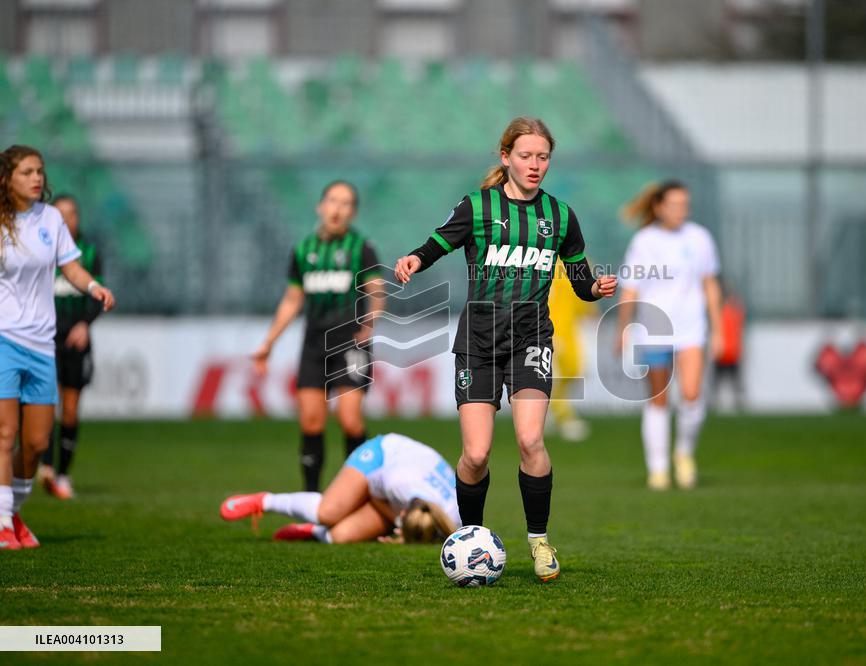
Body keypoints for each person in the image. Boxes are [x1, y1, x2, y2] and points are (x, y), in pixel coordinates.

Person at [394, 116, 617, 582]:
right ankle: (470, 537)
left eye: (542, 157)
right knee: (475, 455)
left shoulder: (560, 216)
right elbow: (439, 242)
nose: (535, 165)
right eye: (525, 156)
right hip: (477, 341)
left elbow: (579, 283)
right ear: (505, 158)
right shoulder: (477, 207)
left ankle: (538, 541)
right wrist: (415, 258)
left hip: (531, 338)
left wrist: (596, 287)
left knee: (531, 439)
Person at [0, 145, 115, 550]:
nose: (37, 178)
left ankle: (11, 512)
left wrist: (94, 286)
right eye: (27, 171)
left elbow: (71, 266)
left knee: (34, 445)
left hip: (41, 345)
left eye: (40, 171)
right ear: (7, 179)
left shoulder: (51, 219)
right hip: (4, 339)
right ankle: (1, 523)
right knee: (6, 432)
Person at [252, 181, 383, 493]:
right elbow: (292, 299)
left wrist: (371, 321)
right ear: (320, 206)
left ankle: (358, 492)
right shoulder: (303, 250)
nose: (338, 209)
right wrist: (268, 343)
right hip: (314, 344)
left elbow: (376, 290)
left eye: (346, 203)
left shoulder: (361, 248)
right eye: (333, 201)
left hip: (350, 342)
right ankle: (311, 497)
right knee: (311, 422)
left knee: (350, 420)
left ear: (353, 212)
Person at [615, 181, 722, 491]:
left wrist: (718, 330)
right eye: (673, 204)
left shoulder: (700, 238)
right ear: (659, 207)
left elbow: (710, 285)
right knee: (658, 400)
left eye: (684, 204)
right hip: (654, 329)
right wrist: (623, 328)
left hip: (691, 330)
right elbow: (630, 289)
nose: (680, 210)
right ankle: (658, 469)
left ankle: (684, 453)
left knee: (691, 394)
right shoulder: (644, 241)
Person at [219, 433, 459, 545]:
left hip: (401, 491)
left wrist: (404, 536)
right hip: (383, 455)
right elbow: (374, 494)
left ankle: (313, 532)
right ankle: (265, 501)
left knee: (340, 537)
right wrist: (398, 526)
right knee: (328, 512)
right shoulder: (397, 482)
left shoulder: (452, 519)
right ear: (403, 514)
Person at [39, 194, 103, 499]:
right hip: (45, 336)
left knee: (71, 409)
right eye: (60, 213)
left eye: (72, 213)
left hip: (76, 337)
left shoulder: (89, 252)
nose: (67, 219)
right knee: (45, 404)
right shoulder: (39, 249)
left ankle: (63, 474)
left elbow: (96, 293)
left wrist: (85, 324)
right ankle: (46, 468)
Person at [547, 258, 596, 441]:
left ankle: (551, 410)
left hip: (570, 328)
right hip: (550, 326)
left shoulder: (578, 261)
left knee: (573, 370)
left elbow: (584, 290)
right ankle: (563, 417)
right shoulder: (545, 257)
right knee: (556, 373)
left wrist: (590, 310)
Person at [712, 281, 746, 413]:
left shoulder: (732, 311)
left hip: (731, 353)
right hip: (722, 353)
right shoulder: (723, 312)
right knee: (719, 382)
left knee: (735, 382)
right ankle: (715, 403)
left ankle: (739, 403)